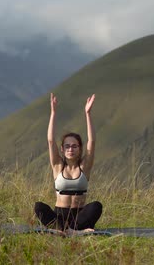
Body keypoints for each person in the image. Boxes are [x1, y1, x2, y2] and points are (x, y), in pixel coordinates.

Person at [34, 93, 102, 232]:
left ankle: (68, 231)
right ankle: (69, 231)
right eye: (67, 146)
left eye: (74, 146)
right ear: (62, 149)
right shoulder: (58, 166)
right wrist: (53, 113)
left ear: (80, 148)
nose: (71, 149)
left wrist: (88, 114)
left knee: (96, 206)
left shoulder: (85, 166)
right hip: (59, 215)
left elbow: (92, 141)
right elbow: (50, 140)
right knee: (39, 206)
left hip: (79, 217)